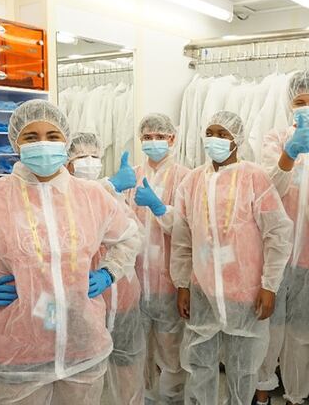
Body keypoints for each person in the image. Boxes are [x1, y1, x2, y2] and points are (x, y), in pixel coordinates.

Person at [0, 100, 141, 404]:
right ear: (15, 143)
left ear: (65, 141)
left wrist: (109, 272)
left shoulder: (93, 197)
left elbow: (129, 237)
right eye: (31, 137)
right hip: (17, 355)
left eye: (52, 136)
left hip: (83, 348)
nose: (43, 144)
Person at [171, 110, 293, 404]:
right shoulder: (191, 182)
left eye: (222, 134)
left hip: (244, 291)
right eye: (210, 133)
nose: (214, 139)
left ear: (236, 139)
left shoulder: (254, 177)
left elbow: (277, 233)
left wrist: (269, 285)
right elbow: (182, 239)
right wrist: (183, 285)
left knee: (243, 367)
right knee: (200, 363)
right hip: (203, 290)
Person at [255, 69, 309, 405]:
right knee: (267, 329)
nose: (307, 107)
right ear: (290, 104)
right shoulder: (275, 139)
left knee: (302, 335)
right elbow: (267, 193)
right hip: (274, 255)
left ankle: (296, 395)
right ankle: (262, 392)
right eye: (300, 101)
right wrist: (288, 155)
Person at [67, 132, 146, 405]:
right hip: (81, 298)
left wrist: (110, 271)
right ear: (67, 163)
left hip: (120, 290)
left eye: (94, 156)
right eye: (81, 156)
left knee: (127, 364)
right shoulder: (60, 197)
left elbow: (136, 236)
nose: (89, 161)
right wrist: (109, 185)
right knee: (81, 372)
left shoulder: (113, 197)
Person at [120, 113, 190, 404]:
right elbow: (120, 223)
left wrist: (160, 208)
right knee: (138, 351)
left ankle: (171, 399)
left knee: (172, 352)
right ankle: (146, 398)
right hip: (136, 279)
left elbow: (188, 229)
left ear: (172, 139)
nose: (153, 142)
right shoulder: (132, 176)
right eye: (147, 137)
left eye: (159, 136)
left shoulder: (186, 177)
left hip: (169, 280)